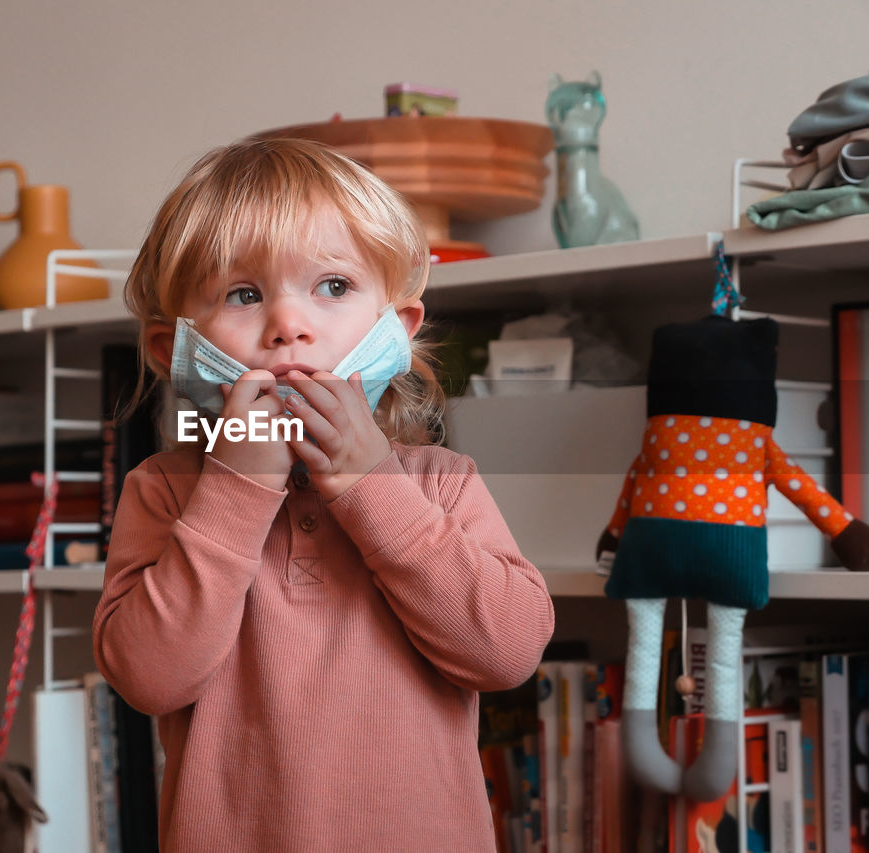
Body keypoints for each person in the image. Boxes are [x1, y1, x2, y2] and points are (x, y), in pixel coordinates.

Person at [92, 136, 555, 851]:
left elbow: (508, 652)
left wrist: (373, 488)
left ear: (395, 334)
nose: (289, 325)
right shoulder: (162, 492)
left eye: (333, 286)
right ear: (173, 349)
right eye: (244, 294)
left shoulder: (441, 481)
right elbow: (149, 678)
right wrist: (236, 491)